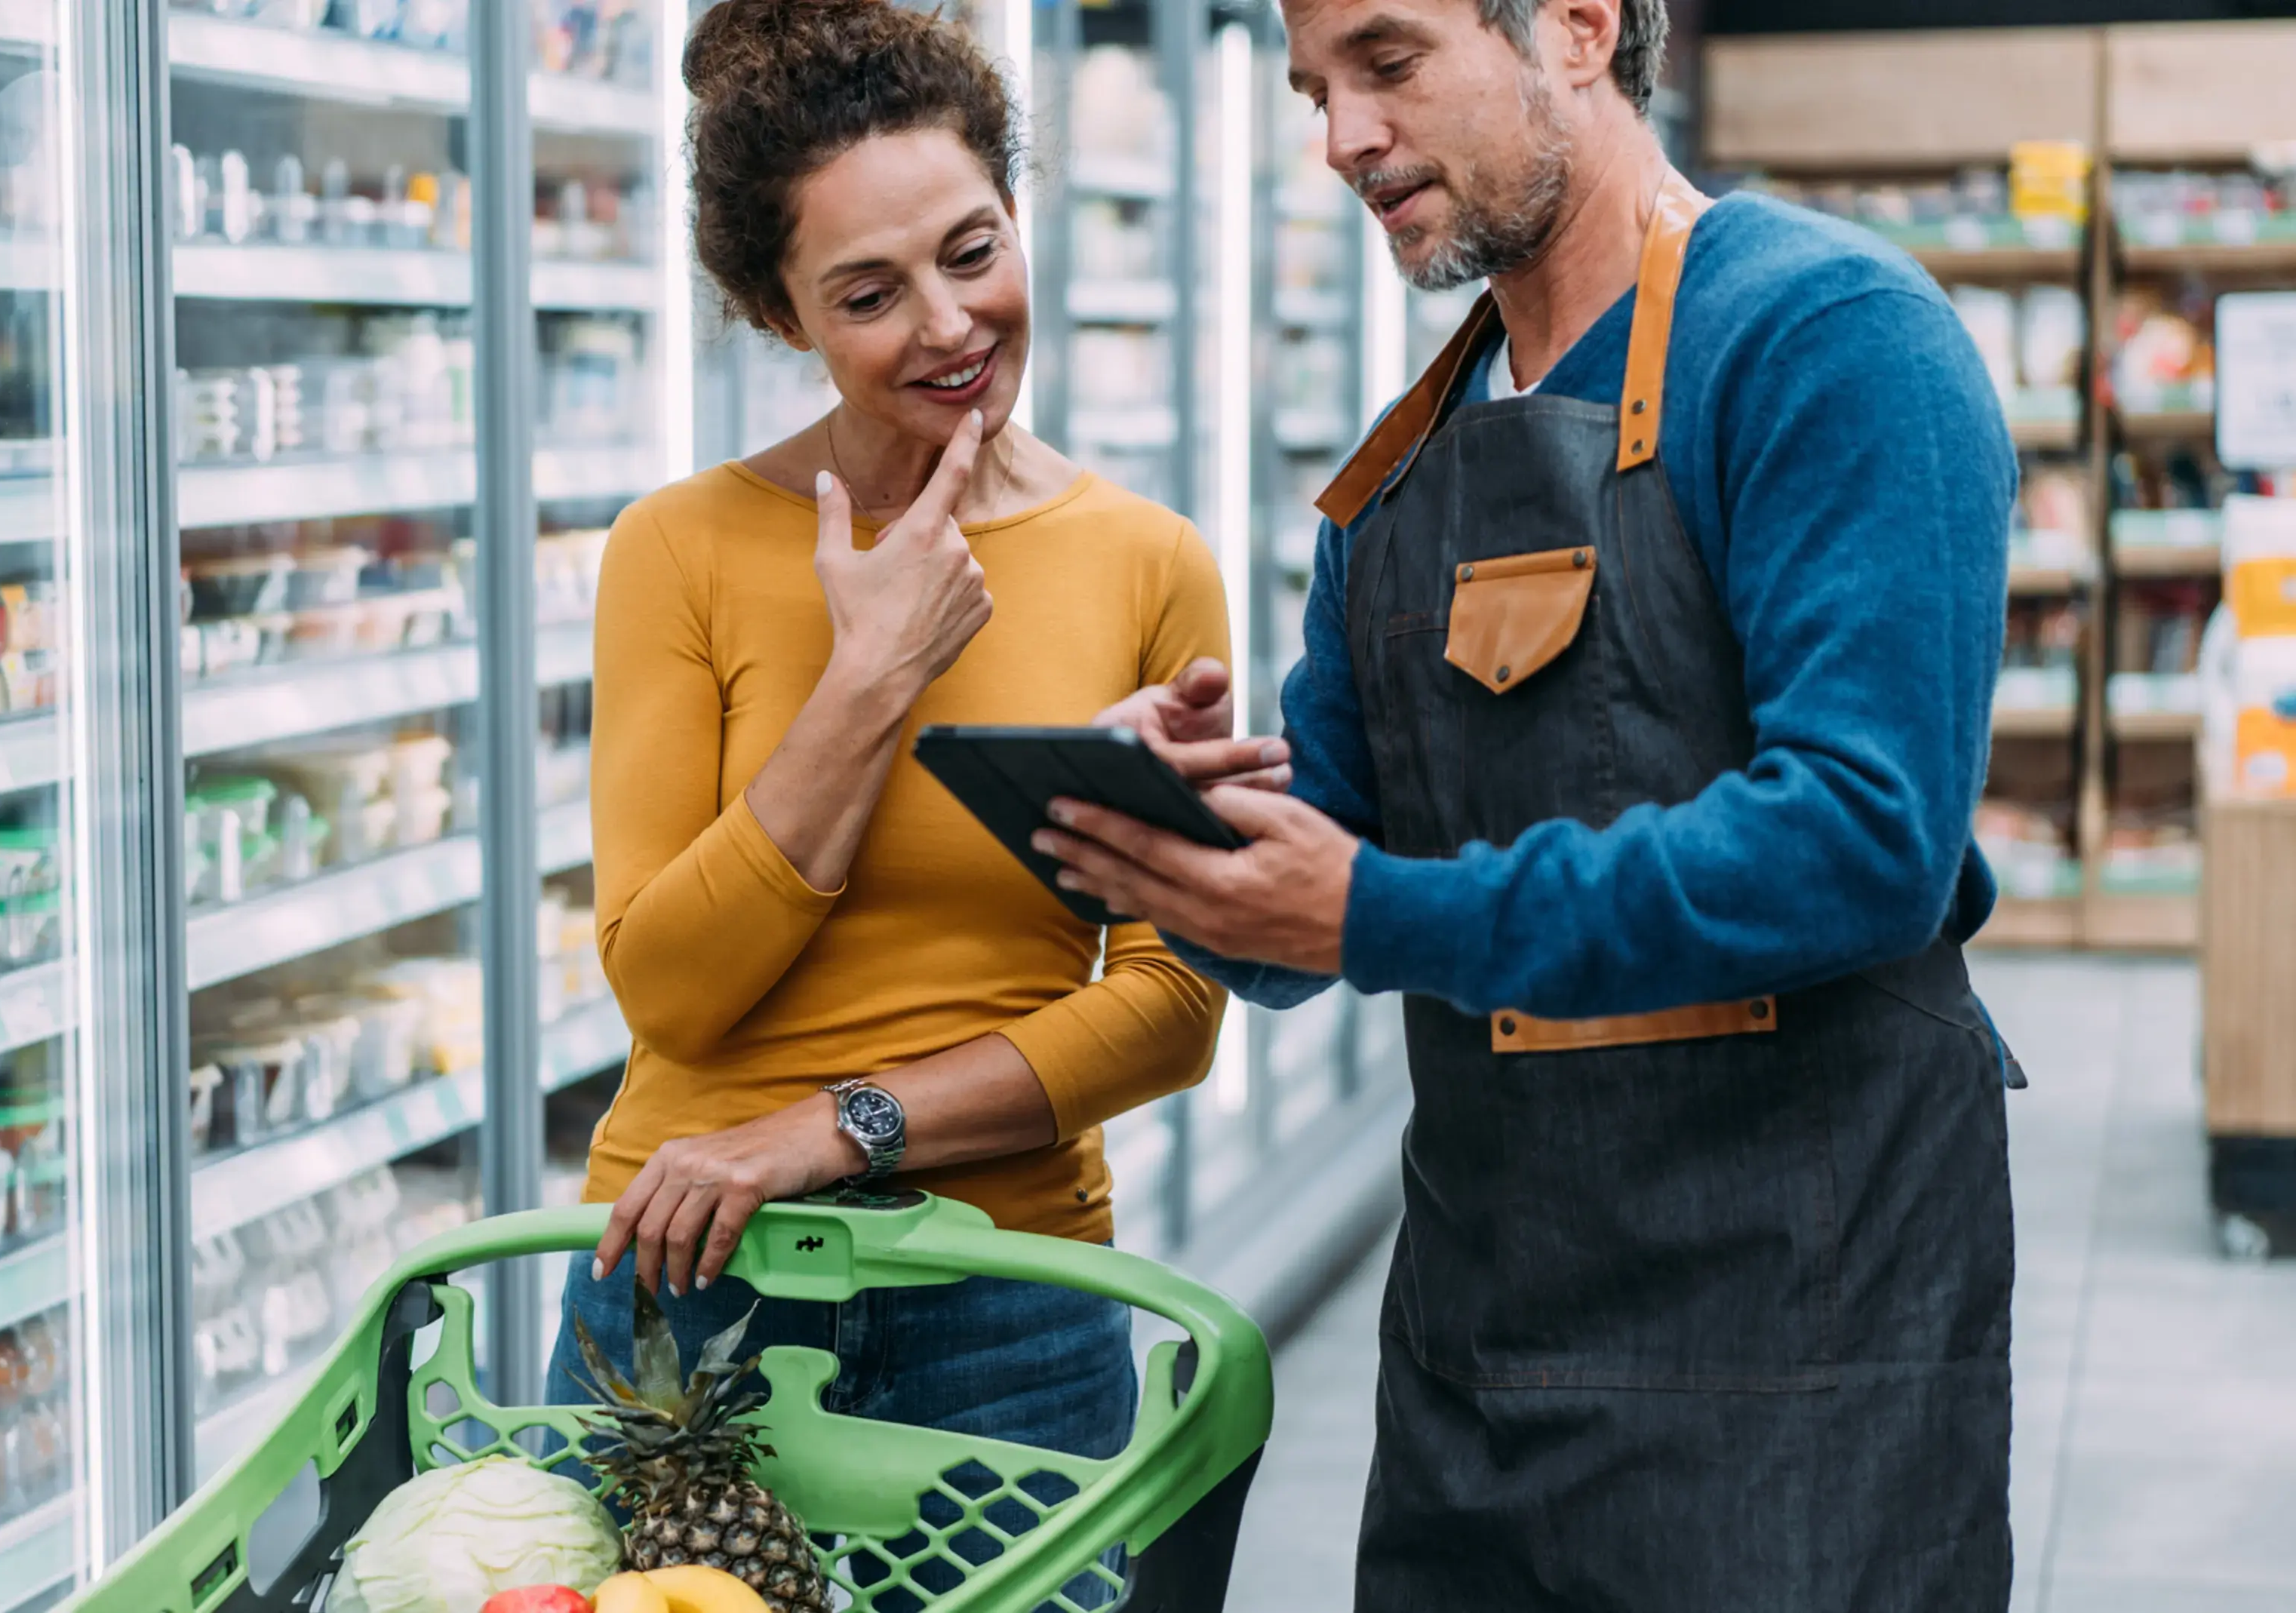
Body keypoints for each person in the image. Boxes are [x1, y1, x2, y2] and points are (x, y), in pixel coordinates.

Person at [1046, 0, 2022, 1607]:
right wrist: (1157, 829)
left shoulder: (1824, 337)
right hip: (1479, 1348)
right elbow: (1305, 921)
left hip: (1799, 1340)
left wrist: (1374, 911)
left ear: (1575, 28)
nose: (1341, 137)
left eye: (1388, 63)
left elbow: (1865, 840)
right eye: (1313, 90)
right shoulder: (1399, 472)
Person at [550, 0, 1265, 1516]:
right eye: (867, 293)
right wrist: (871, 676)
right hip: (688, 1293)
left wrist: (831, 1128)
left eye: (973, 249)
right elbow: (668, 985)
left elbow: (1171, 1007)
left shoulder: (1147, 562)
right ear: (780, 314)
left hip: (1003, 1297)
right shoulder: (675, 552)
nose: (948, 326)